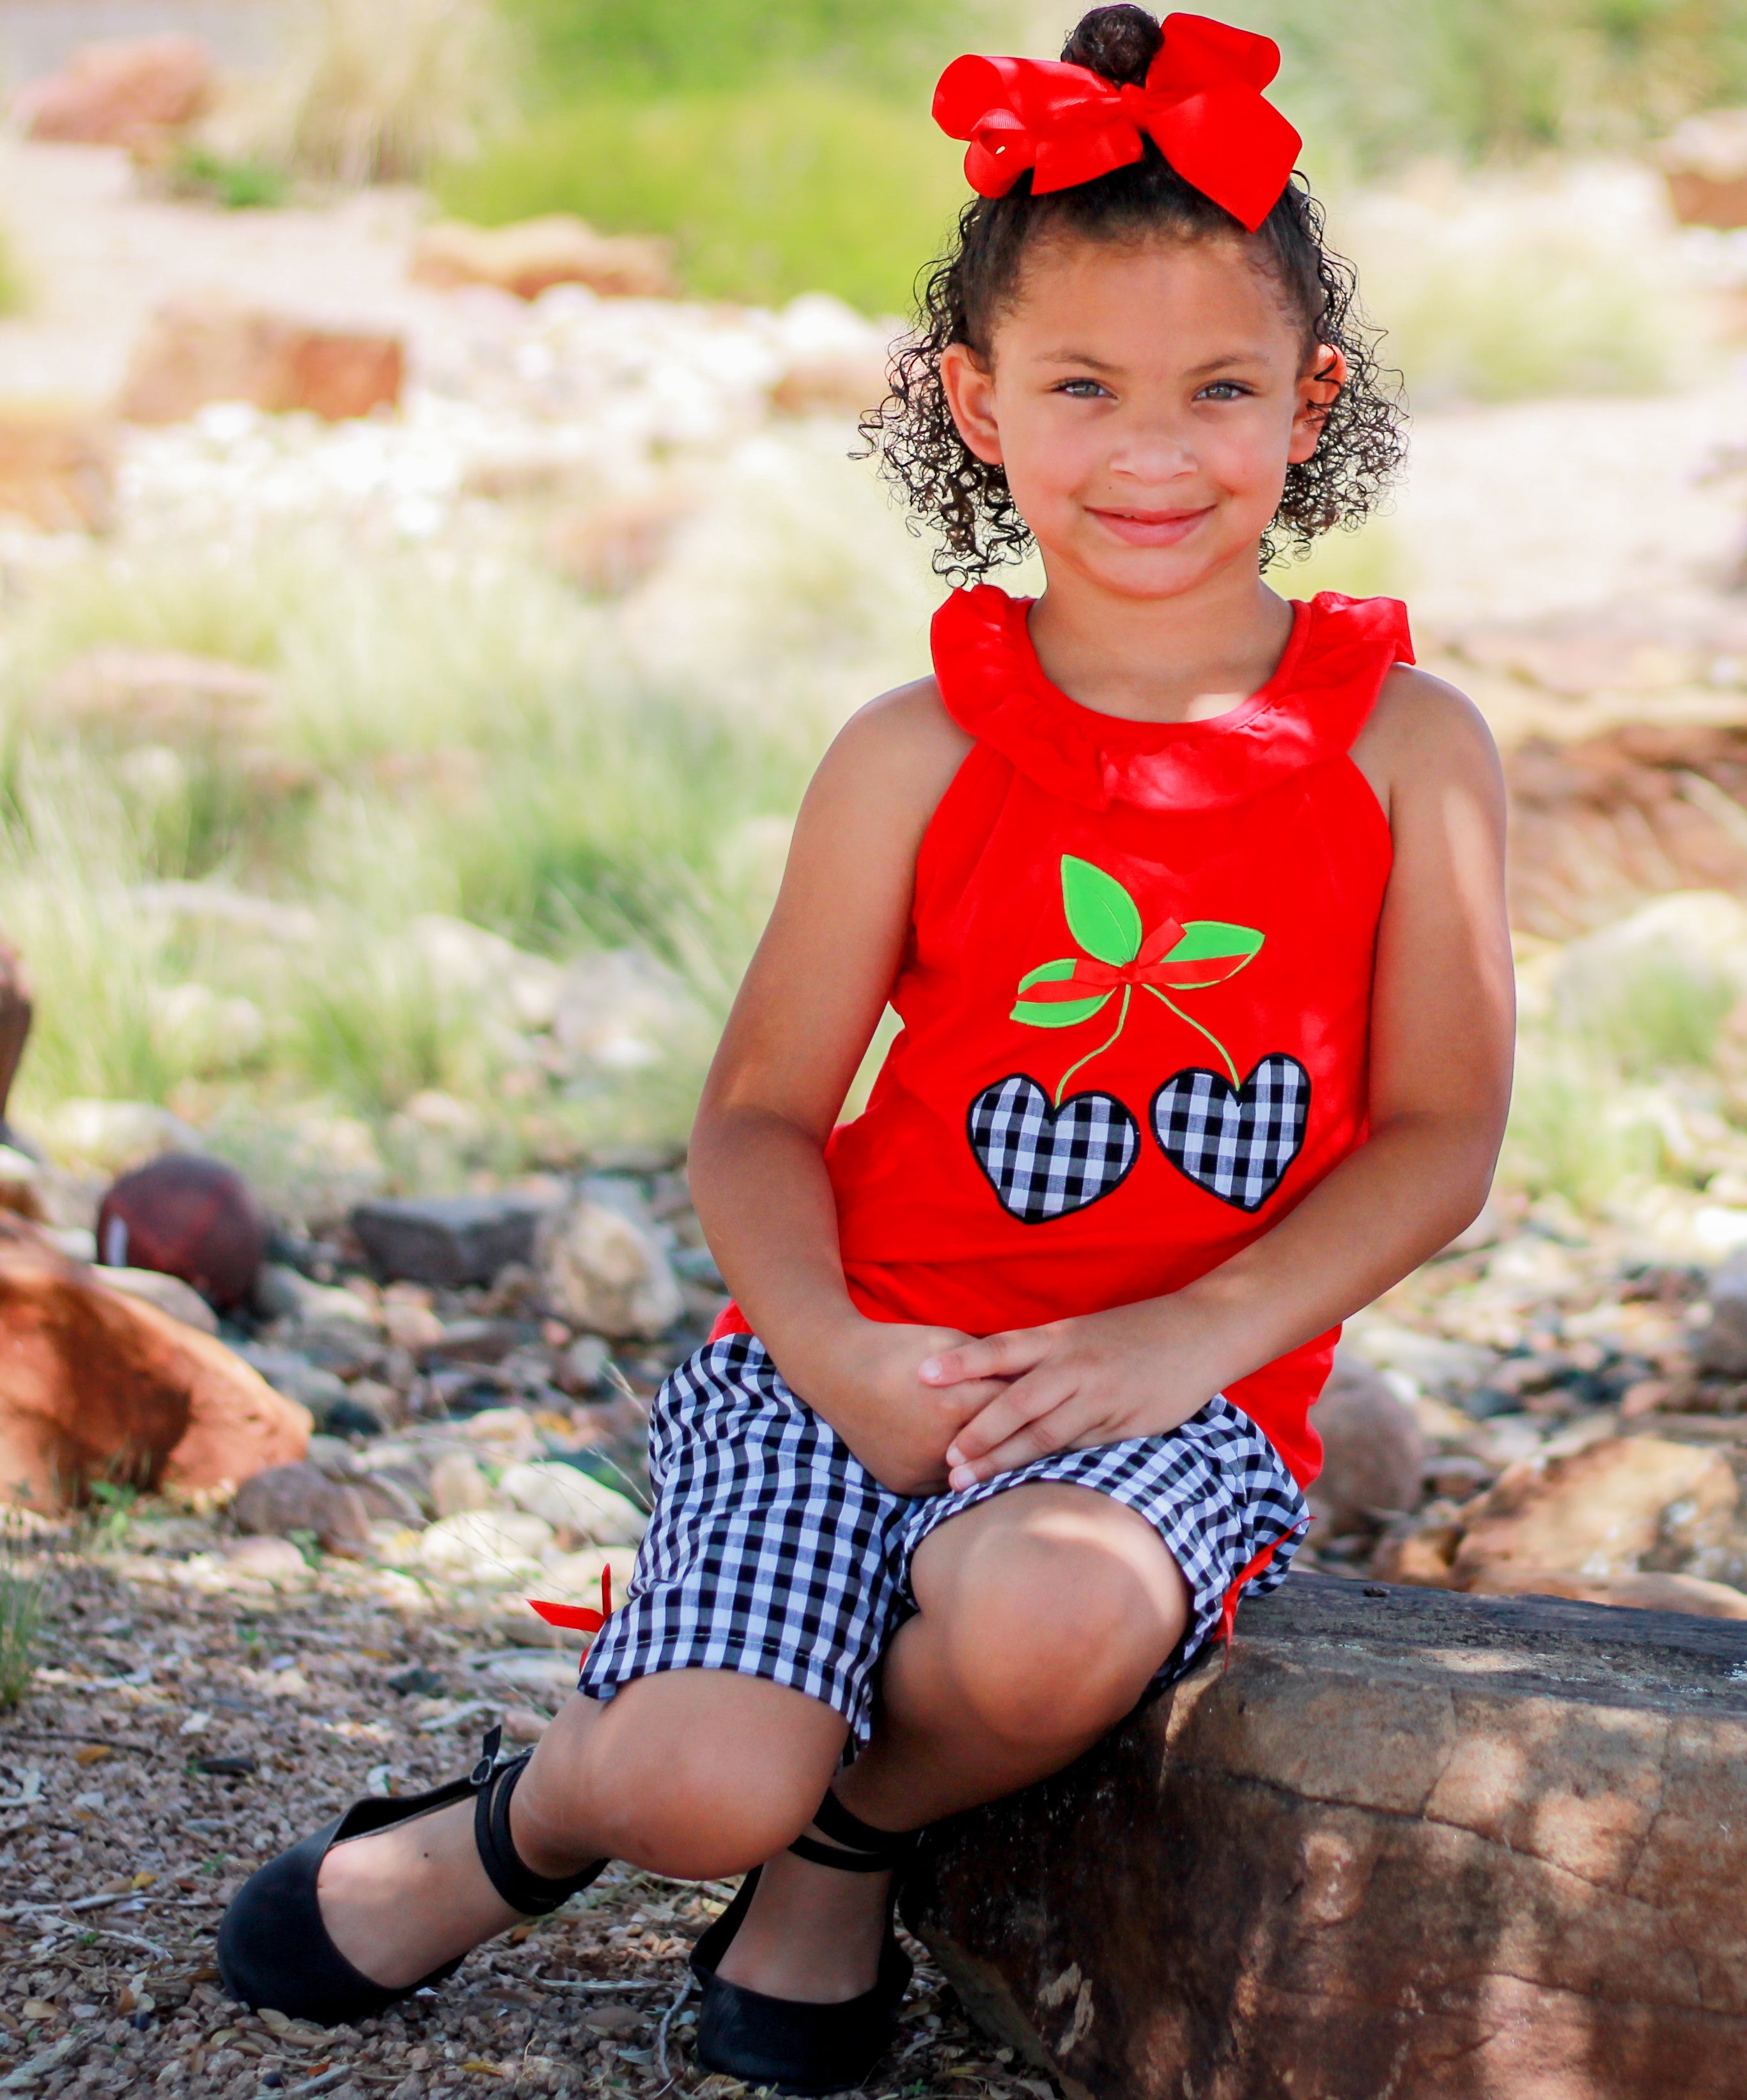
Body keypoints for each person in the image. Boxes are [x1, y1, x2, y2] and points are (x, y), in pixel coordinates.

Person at [215, 7, 1515, 2090]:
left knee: (1050, 1624)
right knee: (689, 1782)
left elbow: (1443, 1135)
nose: (1154, 452)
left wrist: (1185, 1343)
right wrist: (830, 1351)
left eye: (1219, 389)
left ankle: (839, 1856)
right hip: (855, 1360)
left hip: (1167, 1402)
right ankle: (521, 1824)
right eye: (1083, 387)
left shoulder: (1407, 748)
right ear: (975, 404)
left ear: (1312, 404)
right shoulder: (912, 753)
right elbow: (752, 1116)